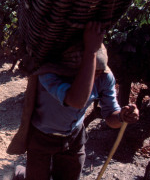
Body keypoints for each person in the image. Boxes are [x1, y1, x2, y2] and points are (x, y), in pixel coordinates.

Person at [10, 21, 140, 180]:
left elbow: (112, 118)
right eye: (91, 71)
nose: (96, 77)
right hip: (41, 138)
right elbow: (76, 100)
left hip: (74, 137)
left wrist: (122, 116)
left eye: (99, 72)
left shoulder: (105, 76)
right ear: (73, 68)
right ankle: (21, 174)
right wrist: (90, 50)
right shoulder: (48, 72)